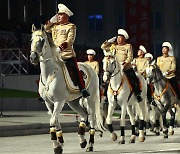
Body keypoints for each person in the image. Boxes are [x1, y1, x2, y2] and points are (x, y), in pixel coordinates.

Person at [45, 3, 90, 98]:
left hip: (66, 55)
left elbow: (70, 40)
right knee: (45, 69)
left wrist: (60, 48)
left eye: (61, 14)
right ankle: (43, 91)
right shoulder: (55, 26)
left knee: (75, 70)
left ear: (66, 16)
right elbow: (45, 28)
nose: (59, 16)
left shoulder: (71, 26)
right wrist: (52, 20)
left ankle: (83, 89)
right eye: (58, 14)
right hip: (55, 56)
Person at [101, 29, 142, 102]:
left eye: (120, 37)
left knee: (133, 79)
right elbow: (103, 47)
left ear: (124, 39)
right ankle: (106, 96)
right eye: (117, 37)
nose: (118, 39)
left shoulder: (128, 46)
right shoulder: (114, 46)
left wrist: (125, 63)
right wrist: (109, 41)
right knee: (110, 80)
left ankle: (137, 94)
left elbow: (130, 57)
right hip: (116, 68)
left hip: (126, 67)